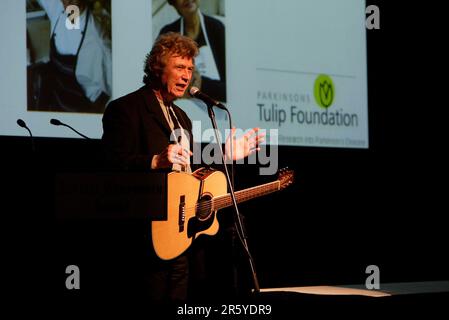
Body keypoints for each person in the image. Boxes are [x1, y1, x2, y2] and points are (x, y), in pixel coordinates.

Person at [101, 32, 263, 303]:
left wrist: (225, 155)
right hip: (145, 240)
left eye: (190, 69)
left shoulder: (182, 116)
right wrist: (155, 161)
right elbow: (110, 163)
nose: (187, 75)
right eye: (179, 67)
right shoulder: (126, 109)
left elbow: (189, 172)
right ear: (157, 67)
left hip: (182, 237)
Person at [29, 0, 112, 113]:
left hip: (81, 107)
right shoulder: (57, 9)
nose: (69, 1)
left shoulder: (97, 39)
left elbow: (110, 89)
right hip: (55, 94)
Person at [159, 0, 226, 102]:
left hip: (216, 114)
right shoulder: (167, 34)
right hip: (179, 114)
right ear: (173, 3)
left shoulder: (217, 29)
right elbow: (159, 86)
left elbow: (230, 90)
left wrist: (201, 83)